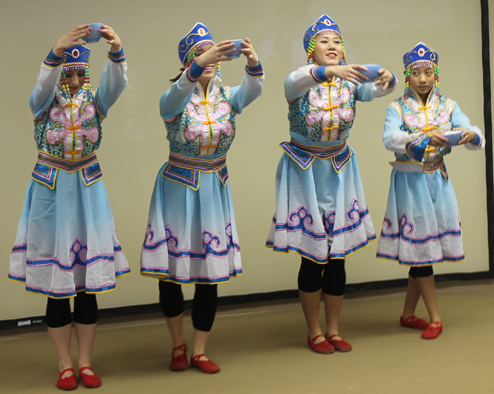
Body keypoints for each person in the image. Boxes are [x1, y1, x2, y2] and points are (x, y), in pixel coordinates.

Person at [266, 14, 396, 354]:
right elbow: (294, 80)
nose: (333, 46)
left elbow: (379, 89)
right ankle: (314, 331)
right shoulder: (299, 82)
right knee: (313, 256)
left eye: (337, 41)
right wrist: (329, 72)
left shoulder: (350, 84)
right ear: (311, 51)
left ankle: (335, 330)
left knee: (338, 255)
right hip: (304, 172)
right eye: (324, 42)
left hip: (339, 172)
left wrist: (388, 76)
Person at [8, 25, 129, 390]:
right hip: (51, 195)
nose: (75, 82)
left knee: (86, 286)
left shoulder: (96, 101)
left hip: (88, 193)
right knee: (57, 286)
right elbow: (41, 86)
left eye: (80, 74)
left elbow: (117, 84)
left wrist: (117, 51)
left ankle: (86, 363)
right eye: (68, 74)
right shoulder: (43, 102)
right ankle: (64, 365)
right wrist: (55, 52)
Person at [140, 23, 264, 373]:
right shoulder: (173, 99)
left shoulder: (228, 96)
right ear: (186, 63)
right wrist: (200, 61)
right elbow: (179, 92)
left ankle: (199, 350)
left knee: (209, 273)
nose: (209, 58)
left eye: (213, 52)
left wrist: (253, 60)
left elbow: (254, 89)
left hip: (213, 188)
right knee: (172, 273)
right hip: (178, 188)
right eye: (199, 53)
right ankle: (177, 344)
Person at [376, 42, 485, 339]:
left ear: (436, 75)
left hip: (438, 179)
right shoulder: (396, 107)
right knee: (421, 252)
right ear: (407, 76)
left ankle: (408, 314)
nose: (422, 79)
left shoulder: (448, 105)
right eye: (416, 73)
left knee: (421, 251)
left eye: (428, 72)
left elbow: (474, 132)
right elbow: (390, 138)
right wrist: (424, 137)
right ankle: (435, 317)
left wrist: (469, 134)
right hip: (410, 182)